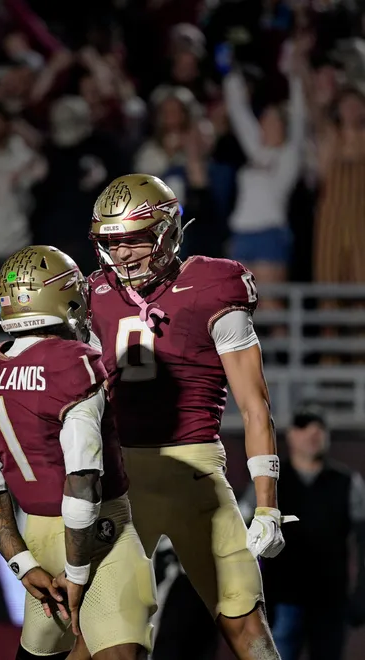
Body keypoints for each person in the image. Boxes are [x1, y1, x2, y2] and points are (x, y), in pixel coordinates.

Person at [88, 173, 296, 660]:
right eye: (112, 243)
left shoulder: (212, 285)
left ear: (166, 232)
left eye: (134, 240)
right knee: (102, 638)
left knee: (248, 628)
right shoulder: (95, 292)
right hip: (121, 481)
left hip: (197, 473)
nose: (121, 255)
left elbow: (253, 404)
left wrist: (267, 503)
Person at [0, 245, 156, 660]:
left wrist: (24, 564)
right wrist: (77, 572)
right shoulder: (73, 363)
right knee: (121, 654)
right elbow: (82, 483)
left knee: (43, 653)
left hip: (35, 533)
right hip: (97, 531)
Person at [240, 406, 365, 660]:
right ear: (290, 435)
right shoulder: (268, 484)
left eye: (319, 427)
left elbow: (364, 544)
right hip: (279, 600)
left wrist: (361, 595)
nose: (313, 433)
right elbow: (241, 533)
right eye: (304, 426)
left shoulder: (347, 482)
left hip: (330, 602)